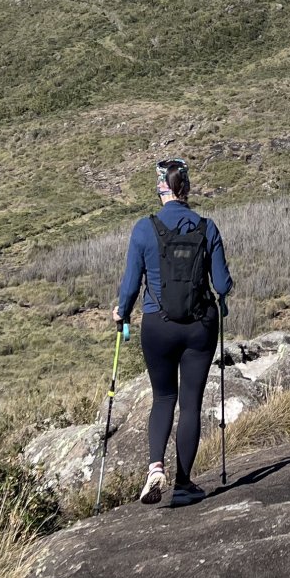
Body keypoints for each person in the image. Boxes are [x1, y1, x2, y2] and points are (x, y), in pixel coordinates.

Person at [113, 158, 233, 507]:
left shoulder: (143, 229)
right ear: (187, 188)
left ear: (160, 189)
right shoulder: (207, 227)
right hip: (200, 327)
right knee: (190, 403)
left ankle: (155, 469)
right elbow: (222, 284)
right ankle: (183, 484)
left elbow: (130, 286)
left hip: (157, 325)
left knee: (163, 397)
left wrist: (121, 312)